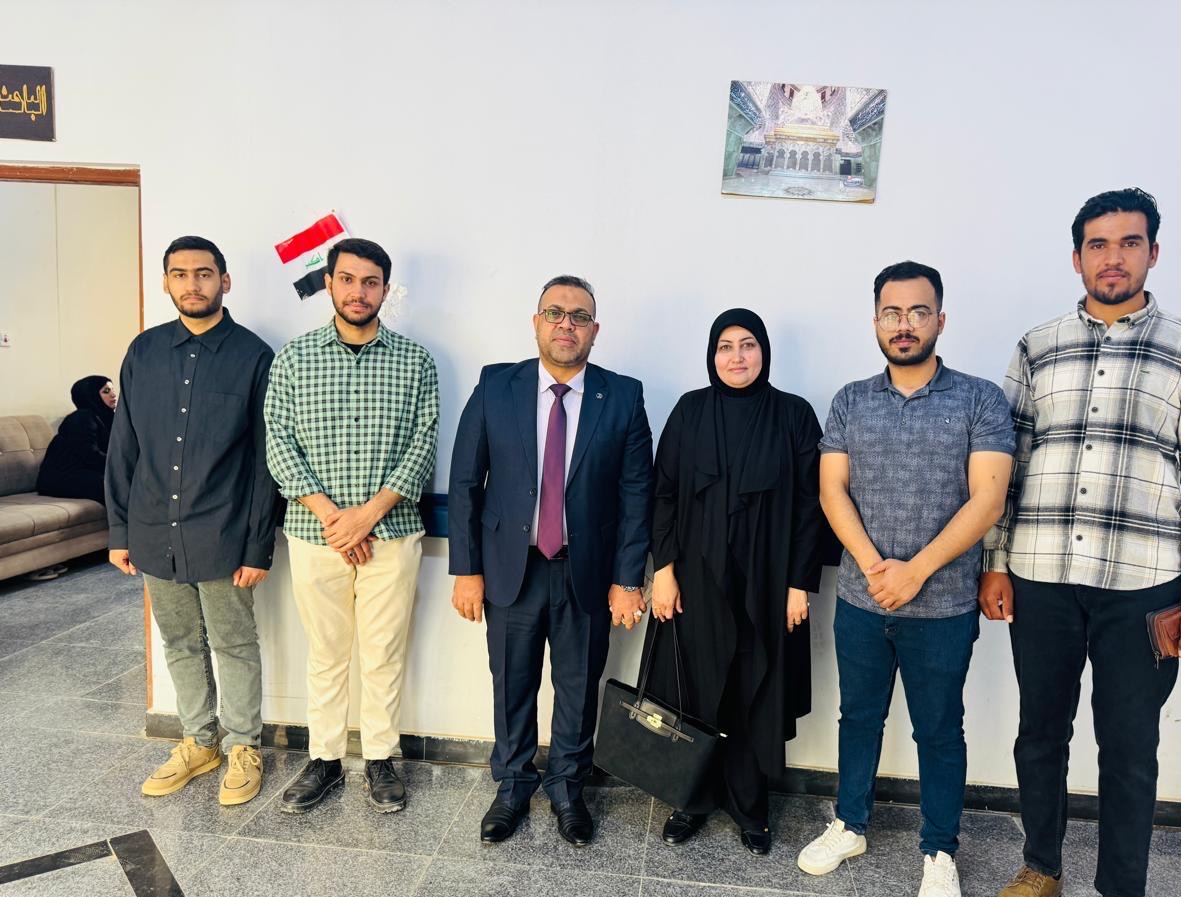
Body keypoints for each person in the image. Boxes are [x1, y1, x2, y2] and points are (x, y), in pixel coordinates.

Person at [982, 189, 1181, 897]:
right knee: (1040, 731)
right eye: (1098, 244)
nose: (1113, 257)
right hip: (1042, 577)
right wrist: (995, 560)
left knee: (1130, 745)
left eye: (1130, 243)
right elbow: (1006, 466)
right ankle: (1040, 867)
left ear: (1153, 253)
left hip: (1144, 586)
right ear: (1077, 257)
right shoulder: (1038, 347)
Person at [796, 262, 1013, 897]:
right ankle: (850, 824)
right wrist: (874, 567)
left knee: (939, 730)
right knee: (858, 718)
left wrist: (915, 571)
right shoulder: (851, 400)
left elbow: (988, 499)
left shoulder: (979, 399)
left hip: (942, 608)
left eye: (919, 312)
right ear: (876, 322)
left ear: (940, 320)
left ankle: (939, 850)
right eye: (892, 313)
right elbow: (831, 489)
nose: (905, 324)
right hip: (862, 602)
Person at [448, 275, 652, 847]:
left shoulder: (623, 396)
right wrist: (466, 569)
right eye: (555, 313)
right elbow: (465, 482)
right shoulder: (496, 385)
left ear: (594, 330)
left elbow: (637, 494)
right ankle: (513, 786)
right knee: (512, 683)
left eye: (580, 316)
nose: (567, 324)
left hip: (585, 572)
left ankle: (567, 787)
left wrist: (627, 580)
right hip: (509, 569)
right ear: (536, 322)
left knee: (578, 687)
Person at [265, 238, 439, 816]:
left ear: (385, 289)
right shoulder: (294, 359)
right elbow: (279, 444)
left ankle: (381, 758)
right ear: (329, 283)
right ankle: (325, 759)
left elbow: (422, 446)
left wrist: (366, 516)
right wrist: (333, 518)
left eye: (370, 282)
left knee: (384, 651)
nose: (358, 292)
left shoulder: (415, 362)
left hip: (392, 532)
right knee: (326, 651)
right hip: (315, 534)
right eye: (347, 279)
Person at [105, 236, 276, 806]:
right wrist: (120, 531)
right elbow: (124, 445)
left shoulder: (254, 355)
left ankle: (243, 747)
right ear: (166, 283)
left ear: (224, 281)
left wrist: (257, 546)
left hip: (223, 532)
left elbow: (265, 461)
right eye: (179, 274)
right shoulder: (144, 351)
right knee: (179, 641)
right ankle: (198, 742)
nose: (192, 284)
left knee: (234, 642)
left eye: (204, 273)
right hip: (154, 529)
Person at [647, 308, 824, 857]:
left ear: (764, 352)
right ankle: (691, 799)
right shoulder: (690, 410)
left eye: (748, 344)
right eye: (726, 346)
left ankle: (750, 806)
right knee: (696, 687)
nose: (737, 356)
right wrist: (662, 571)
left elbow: (812, 506)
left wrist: (799, 583)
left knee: (754, 688)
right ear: (712, 355)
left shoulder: (794, 415)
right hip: (695, 583)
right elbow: (663, 494)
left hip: (768, 585)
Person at [37, 375, 117, 504]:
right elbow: (90, 455)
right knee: (113, 484)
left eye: (113, 390)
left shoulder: (107, 417)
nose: (113, 394)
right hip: (61, 476)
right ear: (91, 395)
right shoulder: (81, 418)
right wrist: (119, 466)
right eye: (106, 391)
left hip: (83, 471)